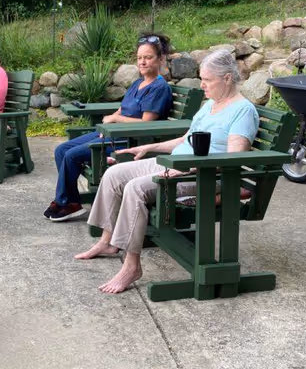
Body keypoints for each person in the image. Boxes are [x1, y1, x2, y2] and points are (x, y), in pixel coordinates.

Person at [75, 49, 259, 294]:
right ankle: (107, 242)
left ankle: (131, 266)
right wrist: (150, 147)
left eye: (207, 80)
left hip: (203, 177)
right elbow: (185, 139)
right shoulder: (210, 105)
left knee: (135, 188)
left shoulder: (243, 111)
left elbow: (233, 160)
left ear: (227, 78)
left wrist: (188, 170)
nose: (202, 85)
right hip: (176, 163)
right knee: (114, 175)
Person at [44, 34, 173, 222]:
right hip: (113, 133)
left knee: (72, 156)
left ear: (160, 59)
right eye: (139, 58)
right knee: (61, 150)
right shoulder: (138, 83)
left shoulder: (159, 88)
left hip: (130, 140)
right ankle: (71, 200)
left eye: (148, 57)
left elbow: (147, 123)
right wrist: (114, 116)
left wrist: (116, 118)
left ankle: (65, 202)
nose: (142, 62)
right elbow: (124, 107)